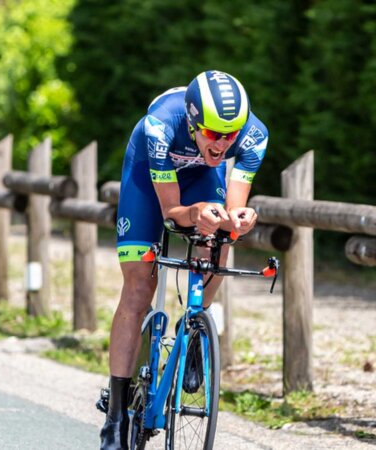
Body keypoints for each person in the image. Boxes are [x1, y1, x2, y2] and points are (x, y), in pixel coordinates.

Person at [100, 70, 269, 449]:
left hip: (199, 181)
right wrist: (194, 214)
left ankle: (194, 333)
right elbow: (172, 211)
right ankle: (115, 418)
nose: (223, 144)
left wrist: (238, 219)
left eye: (231, 135)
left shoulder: (254, 135)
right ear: (193, 122)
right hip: (151, 182)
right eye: (212, 133)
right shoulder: (159, 126)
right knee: (140, 286)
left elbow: (233, 208)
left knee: (221, 237)